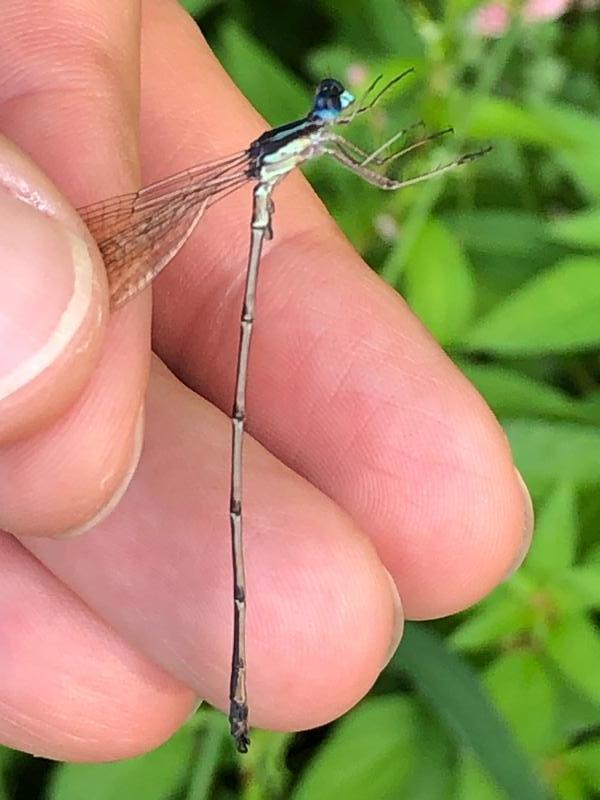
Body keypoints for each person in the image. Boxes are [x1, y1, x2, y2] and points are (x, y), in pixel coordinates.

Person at [0, 0, 533, 761]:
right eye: (335, 107)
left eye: (339, 109)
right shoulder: (297, 147)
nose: (339, 114)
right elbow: (382, 185)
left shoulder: (311, 137)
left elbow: (370, 172)